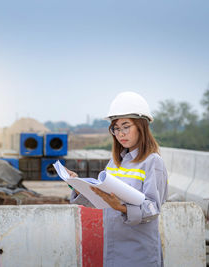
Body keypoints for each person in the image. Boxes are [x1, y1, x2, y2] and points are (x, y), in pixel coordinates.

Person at [67, 91, 168, 267]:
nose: (120, 133)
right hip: (113, 249)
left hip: (140, 252)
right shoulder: (115, 162)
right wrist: (78, 186)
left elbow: (153, 208)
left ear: (141, 126)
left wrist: (120, 207)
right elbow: (102, 199)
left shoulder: (153, 162)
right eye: (116, 128)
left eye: (126, 126)